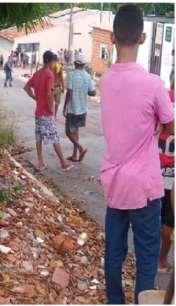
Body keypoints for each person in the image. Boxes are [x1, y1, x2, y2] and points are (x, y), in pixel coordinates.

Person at [99, 5, 175, 304]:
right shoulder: (153, 84)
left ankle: (114, 301)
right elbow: (170, 123)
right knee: (146, 254)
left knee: (114, 251)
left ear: (111, 38)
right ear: (143, 38)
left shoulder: (105, 80)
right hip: (144, 187)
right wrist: (158, 120)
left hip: (114, 183)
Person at [23, 50, 76, 172]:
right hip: (46, 112)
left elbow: (26, 87)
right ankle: (63, 163)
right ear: (51, 61)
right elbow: (48, 92)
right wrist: (50, 107)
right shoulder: (49, 74)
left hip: (38, 111)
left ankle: (40, 162)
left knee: (39, 137)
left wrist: (34, 97)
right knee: (54, 137)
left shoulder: (37, 74)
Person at [63, 53, 95, 162]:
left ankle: (81, 148)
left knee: (68, 132)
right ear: (84, 64)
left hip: (73, 108)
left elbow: (69, 93)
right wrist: (84, 90)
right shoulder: (88, 76)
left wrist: (64, 106)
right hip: (82, 108)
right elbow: (93, 92)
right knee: (76, 130)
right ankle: (74, 154)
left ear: (75, 63)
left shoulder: (71, 76)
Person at [158, 77, 175, 273]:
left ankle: (149, 256)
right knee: (169, 219)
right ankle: (161, 260)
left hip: (155, 168)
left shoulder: (161, 100)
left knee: (155, 215)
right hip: (173, 174)